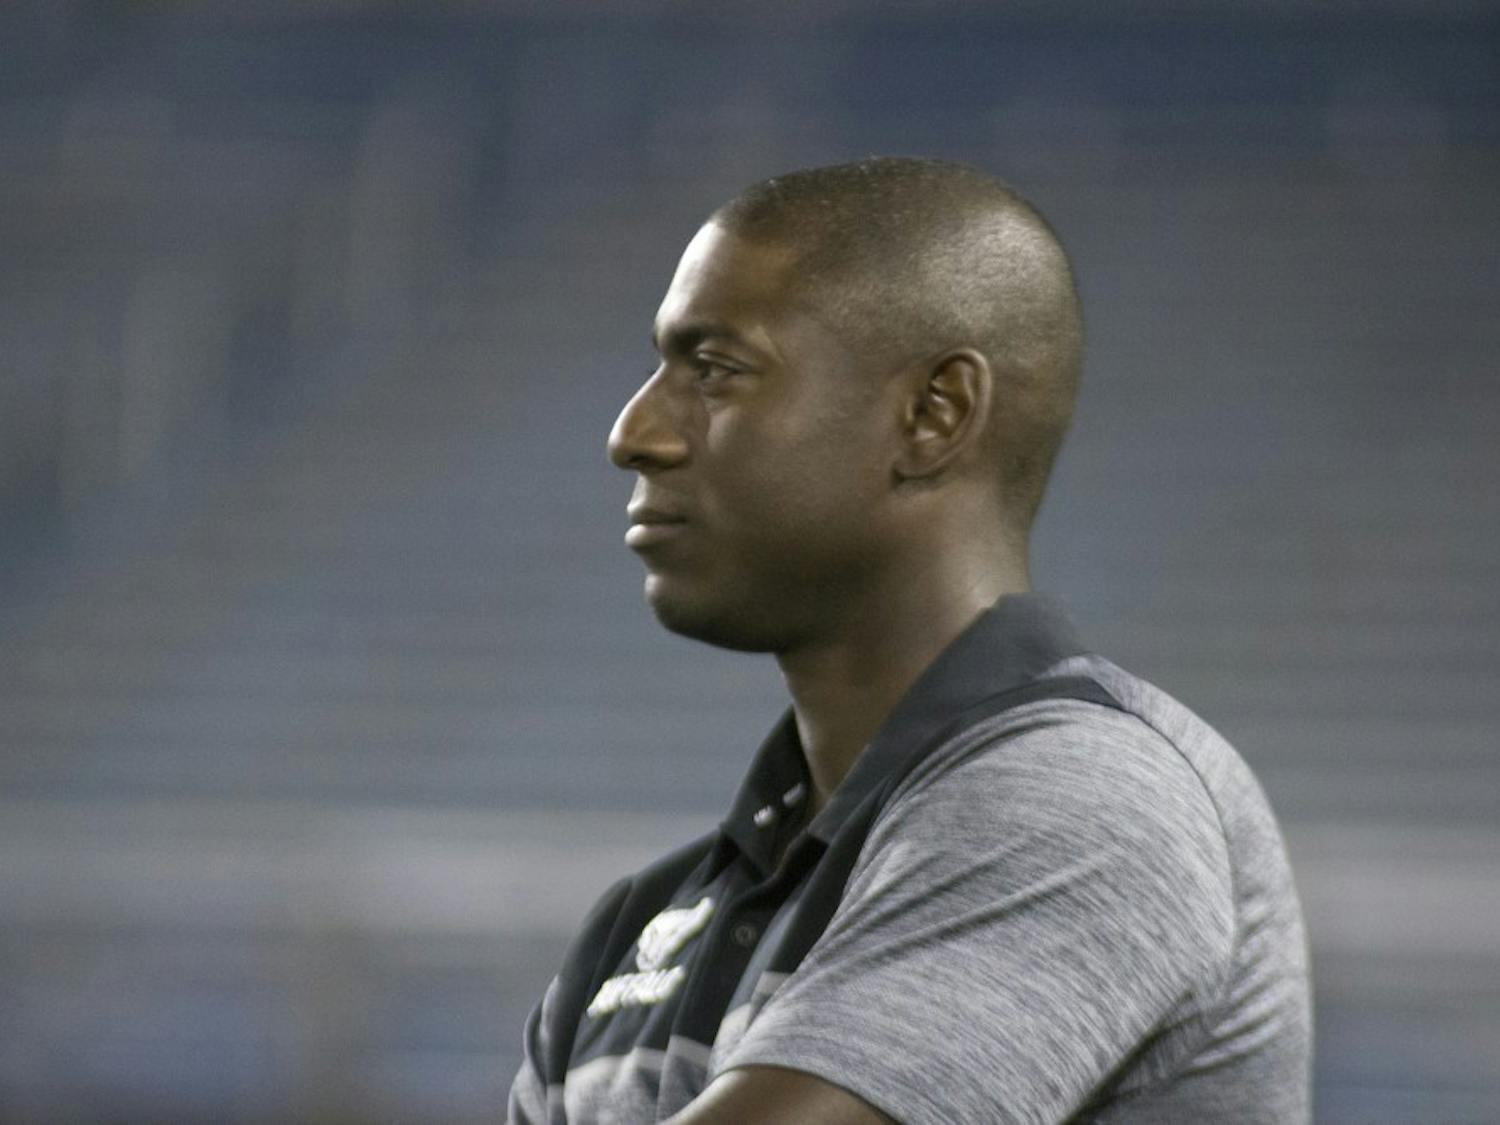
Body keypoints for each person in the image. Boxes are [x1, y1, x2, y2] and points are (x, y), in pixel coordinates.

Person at [507, 156, 1311, 1124]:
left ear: (935, 414)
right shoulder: (637, 929)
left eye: (714, 370)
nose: (634, 433)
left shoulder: (1091, 804)